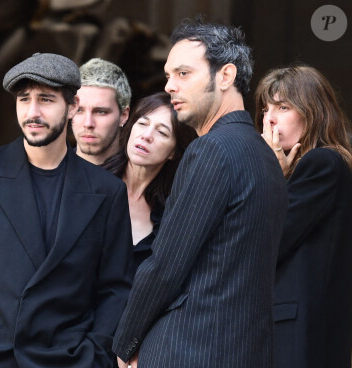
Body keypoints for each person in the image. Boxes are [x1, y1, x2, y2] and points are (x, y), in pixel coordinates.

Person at [0, 52, 133, 368]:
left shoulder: (107, 192)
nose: (32, 112)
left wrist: (94, 356)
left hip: (67, 360)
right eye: (24, 100)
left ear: (72, 107)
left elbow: (114, 289)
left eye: (46, 100)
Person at [112, 19, 288, 368]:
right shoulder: (266, 156)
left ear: (225, 76)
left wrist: (124, 343)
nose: (170, 86)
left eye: (183, 73)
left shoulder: (211, 150)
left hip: (189, 348)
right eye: (168, 75)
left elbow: (165, 265)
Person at [254, 64, 352, 368]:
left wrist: (272, 175)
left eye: (283, 107)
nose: (269, 117)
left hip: (298, 333)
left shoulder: (322, 162)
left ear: (312, 113)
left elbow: (270, 240)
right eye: (266, 107)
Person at [102, 92, 196, 269]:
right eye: (143, 123)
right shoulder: (93, 185)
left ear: (173, 153)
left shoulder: (173, 211)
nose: (146, 135)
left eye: (161, 132)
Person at [72, 58, 132, 165]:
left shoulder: (139, 177)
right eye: (79, 110)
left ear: (123, 115)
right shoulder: (48, 173)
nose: (88, 123)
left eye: (101, 112)